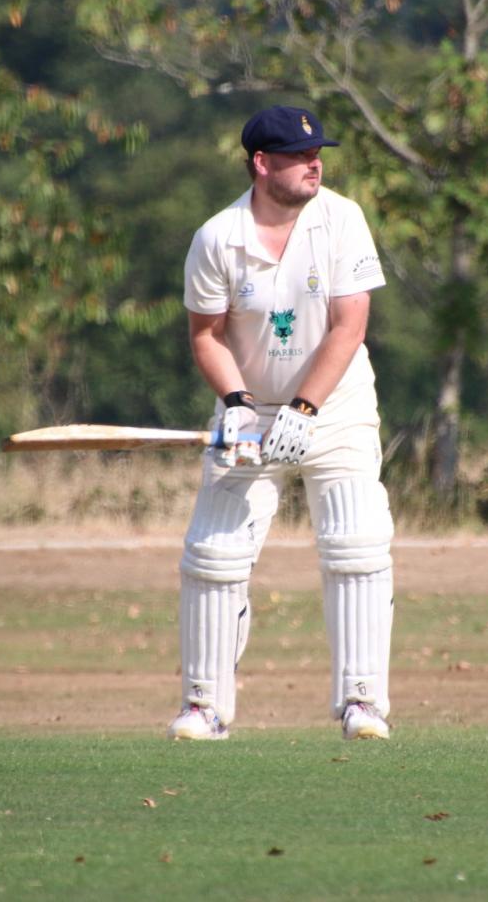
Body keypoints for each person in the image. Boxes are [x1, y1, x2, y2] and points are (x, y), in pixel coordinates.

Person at [167, 105, 394, 742]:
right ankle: (204, 707)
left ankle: (362, 702)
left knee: (356, 541)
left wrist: (305, 409)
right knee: (214, 554)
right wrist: (237, 403)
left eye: (317, 153)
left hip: (335, 407)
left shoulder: (342, 219)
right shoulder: (218, 238)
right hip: (250, 412)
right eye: (299, 156)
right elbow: (207, 336)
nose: (314, 164)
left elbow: (350, 326)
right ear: (262, 164)